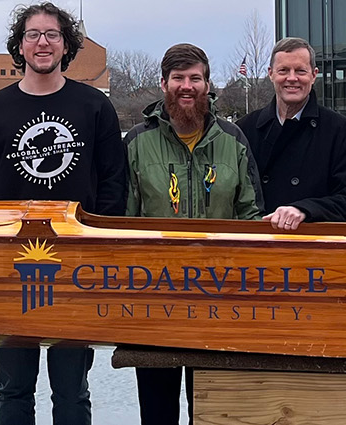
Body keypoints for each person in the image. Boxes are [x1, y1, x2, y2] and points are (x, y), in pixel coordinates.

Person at [0, 2, 120, 424]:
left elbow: (111, 183)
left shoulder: (94, 106)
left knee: (72, 390)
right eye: (33, 34)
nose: (42, 42)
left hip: (75, 262)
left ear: (66, 44)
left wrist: (100, 246)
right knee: (13, 389)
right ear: (20, 45)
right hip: (8, 263)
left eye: (52, 34)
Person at [122, 43, 261, 425]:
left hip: (221, 298)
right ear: (163, 83)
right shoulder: (136, 142)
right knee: (157, 412)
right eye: (179, 78)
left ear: (207, 84)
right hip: (153, 299)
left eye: (195, 78)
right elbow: (121, 221)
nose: (188, 86)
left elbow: (251, 215)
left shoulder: (233, 141)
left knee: (215, 410)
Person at [238, 37, 346, 229]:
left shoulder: (342, 132)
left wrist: (305, 210)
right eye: (283, 70)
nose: (292, 78)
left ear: (314, 75)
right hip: (259, 245)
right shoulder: (245, 129)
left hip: (316, 247)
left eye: (300, 71)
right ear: (271, 74)